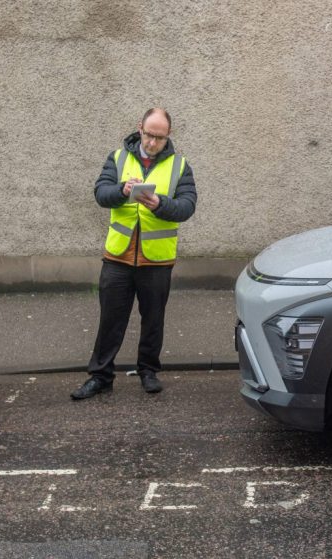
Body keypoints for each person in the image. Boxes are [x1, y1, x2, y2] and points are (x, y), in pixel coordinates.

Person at [72, 108, 197, 400]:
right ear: (139, 127)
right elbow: (101, 194)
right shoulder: (117, 158)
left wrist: (159, 204)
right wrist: (121, 190)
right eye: (149, 134)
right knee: (110, 319)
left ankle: (148, 371)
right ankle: (100, 376)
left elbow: (187, 206)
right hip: (118, 256)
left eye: (160, 137)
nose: (153, 142)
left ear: (168, 136)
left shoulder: (180, 166)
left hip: (157, 258)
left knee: (153, 318)